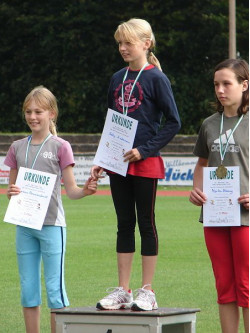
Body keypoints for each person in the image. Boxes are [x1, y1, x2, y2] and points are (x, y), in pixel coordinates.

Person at [91, 18, 181, 311]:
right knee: (123, 224)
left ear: (147, 43)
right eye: (120, 42)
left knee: (146, 223)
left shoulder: (157, 78)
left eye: (128, 42)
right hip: (117, 164)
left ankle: (147, 290)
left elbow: (173, 122)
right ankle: (123, 290)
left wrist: (145, 150)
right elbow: (111, 121)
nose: (123, 48)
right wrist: (102, 159)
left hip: (145, 163)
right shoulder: (117, 78)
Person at [4, 86, 97, 333]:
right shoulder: (16, 148)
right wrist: (10, 192)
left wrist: (86, 190)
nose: (33, 117)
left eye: (38, 111)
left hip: (52, 226)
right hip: (24, 226)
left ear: (51, 113)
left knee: (55, 290)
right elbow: (11, 190)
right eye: (28, 112)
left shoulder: (60, 146)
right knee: (28, 289)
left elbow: (72, 190)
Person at [189, 59, 249, 333]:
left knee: (246, 285)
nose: (220, 90)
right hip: (215, 215)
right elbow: (202, 163)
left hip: (246, 216)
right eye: (216, 84)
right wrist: (196, 188)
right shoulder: (209, 124)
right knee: (224, 286)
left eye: (227, 83)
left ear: (244, 85)